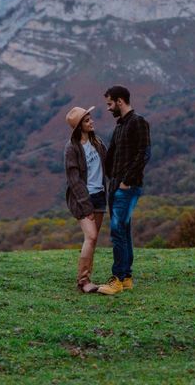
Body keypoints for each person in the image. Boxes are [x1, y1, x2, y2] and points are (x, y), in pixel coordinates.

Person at [98, 86, 151, 295]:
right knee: (124, 232)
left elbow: (144, 154)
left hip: (126, 187)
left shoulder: (138, 122)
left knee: (118, 233)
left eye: (110, 104)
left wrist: (126, 182)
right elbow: (113, 155)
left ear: (120, 101)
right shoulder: (120, 126)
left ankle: (118, 279)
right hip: (117, 185)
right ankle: (126, 277)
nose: (109, 108)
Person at [64, 106, 108, 293]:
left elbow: (108, 167)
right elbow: (73, 180)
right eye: (87, 120)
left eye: (90, 119)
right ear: (79, 126)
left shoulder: (98, 143)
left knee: (93, 239)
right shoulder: (72, 148)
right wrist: (86, 205)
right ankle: (83, 281)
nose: (91, 122)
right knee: (90, 236)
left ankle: (87, 277)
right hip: (83, 198)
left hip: (99, 196)